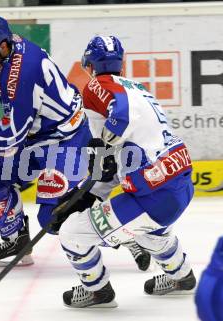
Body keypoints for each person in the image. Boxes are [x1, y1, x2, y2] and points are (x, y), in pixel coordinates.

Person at [0, 15, 150, 271]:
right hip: (38, 138)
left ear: (4, 45)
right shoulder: (9, 48)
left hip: (66, 142)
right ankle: (16, 242)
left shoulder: (23, 75)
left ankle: (127, 234)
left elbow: (13, 133)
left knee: (54, 217)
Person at [55, 35, 196, 308]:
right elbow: (110, 164)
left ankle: (98, 292)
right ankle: (182, 276)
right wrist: (88, 194)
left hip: (154, 194)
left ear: (89, 64)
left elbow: (122, 117)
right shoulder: (138, 88)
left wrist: (107, 140)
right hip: (178, 181)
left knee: (72, 234)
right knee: (148, 231)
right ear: (121, 64)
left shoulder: (96, 85)